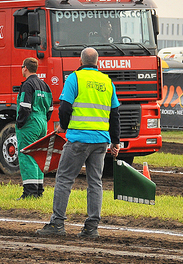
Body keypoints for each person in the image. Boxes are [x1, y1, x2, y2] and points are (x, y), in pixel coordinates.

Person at [36, 47, 121, 238]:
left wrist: (64, 127)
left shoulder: (75, 78)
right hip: (101, 141)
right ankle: (92, 227)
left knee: (64, 179)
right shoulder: (107, 82)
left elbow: (65, 106)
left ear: (80, 62)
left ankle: (57, 224)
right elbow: (115, 114)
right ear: (97, 62)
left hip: (78, 140)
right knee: (95, 183)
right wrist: (115, 142)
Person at [15, 57, 53, 199]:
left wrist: (20, 123)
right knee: (38, 156)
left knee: (26, 155)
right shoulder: (45, 85)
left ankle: (29, 192)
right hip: (42, 122)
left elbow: (25, 107)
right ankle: (38, 191)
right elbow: (50, 108)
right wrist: (43, 120)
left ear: (25, 68)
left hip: (30, 123)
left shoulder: (27, 85)